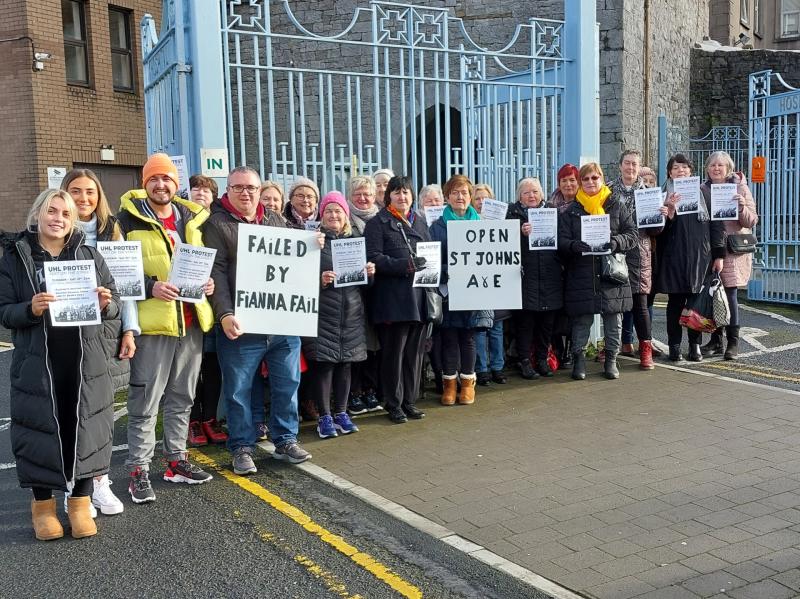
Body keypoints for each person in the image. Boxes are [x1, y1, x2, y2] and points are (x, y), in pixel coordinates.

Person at [0, 189, 119, 540]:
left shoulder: (89, 254)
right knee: (39, 430)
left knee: (84, 427)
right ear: (38, 213)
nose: (58, 219)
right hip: (38, 361)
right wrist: (30, 309)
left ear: (73, 220)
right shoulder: (14, 256)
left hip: (83, 359)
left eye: (66, 214)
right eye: (52, 211)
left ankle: (79, 503)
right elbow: (4, 311)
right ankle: (43, 508)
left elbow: (114, 305)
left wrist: (104, 303)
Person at [203, 166, 317, 473]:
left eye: (251, 188)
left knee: (287, 384)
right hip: (241, 324)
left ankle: (286, 440)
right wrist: (224, 313)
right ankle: (241, 447)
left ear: (258, 190)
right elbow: (216, 273)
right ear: (227, 190)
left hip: (282, 323)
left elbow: (295, 263)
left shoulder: (277, 220)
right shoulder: (215, 224)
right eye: (238, 187)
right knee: (238, 391)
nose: (245, 193)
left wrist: (312, 246)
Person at [117, 154, 216, 503]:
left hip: (190, 322)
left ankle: (176, 460)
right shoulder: (126, 221)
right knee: (145, 399)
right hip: (154, 324)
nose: (161, 185)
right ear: (145, 184)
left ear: (177, 184)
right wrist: (150, 286)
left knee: (182, 396)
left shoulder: (192, 219)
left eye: (168, 179)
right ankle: (138, 469)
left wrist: (208, 286)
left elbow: (202, 264)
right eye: (154, 179)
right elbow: (116, 271)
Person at [61, 168, 137, 517]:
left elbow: (128, 289)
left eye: (90, 192)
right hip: (65, 333)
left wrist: (129, 330)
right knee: (69, 409)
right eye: (75, 191)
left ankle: (101, 482)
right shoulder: (54, 233)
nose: (83, 199)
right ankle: (75, 485)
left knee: (102, 410)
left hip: (106, 330)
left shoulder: (113, 232)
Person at [305, 191, 375, 438]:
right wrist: (319, 280)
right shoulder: (313, 242)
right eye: (329, 211)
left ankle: (342, 412)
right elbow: (298, 279)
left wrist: (370, 272)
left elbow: (366, 287)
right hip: (324, 315)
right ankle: (324, 417)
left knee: (346, 365)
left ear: (346, 215)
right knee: (324, 365)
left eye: (338, 211)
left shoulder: (355, 240)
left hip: (351, 316)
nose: (334, 215)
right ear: (321, 215)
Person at [559, 162, 638, 380]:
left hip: (611, 273)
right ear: (580, 183)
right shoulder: (572, 211)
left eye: (595, 178)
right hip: (582, 273)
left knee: (614, 320)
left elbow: (632, 234)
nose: (591, 182)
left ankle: (611, 361)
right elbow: (562, 241)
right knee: (581, 321)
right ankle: (579, 360)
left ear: (601, 179)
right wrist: (574, 246)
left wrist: (615, 242)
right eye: (586, 179)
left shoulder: (616, 205)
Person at [365, 175, 431, 423]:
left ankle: (409, 401)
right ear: (387, 196)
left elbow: (431, 254)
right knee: (394, 354)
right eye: (396, 193)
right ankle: (393, 403)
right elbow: (374, 258)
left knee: (414, 355)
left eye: (406, 193)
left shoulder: (420, 221)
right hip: (392, 301)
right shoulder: (377, 223)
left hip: (419, 298)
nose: (402, 197)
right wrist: (407, 265)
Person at [655, 154, 726, 362]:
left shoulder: (703, 193)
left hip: (700, 257)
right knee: (675, 304)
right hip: (673, 258)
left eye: (685, 168)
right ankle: (675, 347)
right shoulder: (662, 195)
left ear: (691, 171)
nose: (681, 171)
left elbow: (717, 225)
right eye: (676, 168)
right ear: (670, 172)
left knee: (696, 303)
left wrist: (719, 255)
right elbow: (655, 232)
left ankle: (694, 345)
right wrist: (669, 214)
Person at [700, 151, 758, 360]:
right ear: (707, 169)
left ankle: (733, 342)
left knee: (730, 296)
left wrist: (741, 206)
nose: (716, 168)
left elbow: (751, 221)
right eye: (712, 165)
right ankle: (716, 341)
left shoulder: (740, 187)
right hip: (709, 250)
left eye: (720, 165)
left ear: (728, 169)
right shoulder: (702, 189)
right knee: (713, 294)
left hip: (731, 251)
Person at [429, 174, 482, 405]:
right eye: (455, 193)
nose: (460, 197)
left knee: (468, 338)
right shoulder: (436, 227)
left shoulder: (481, 224)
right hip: (448, 292)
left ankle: (468, 384)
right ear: (447, 197)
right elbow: (430, 263)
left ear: (470, 197)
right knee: (449, 338)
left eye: (464, 193)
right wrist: (447, 270)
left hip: (472, 290)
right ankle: (449, 385)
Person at [608, 150, 662, 370]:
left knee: (640, 304)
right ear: (620, 165)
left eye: (635, 165)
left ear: (640, 168)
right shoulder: (608, 191)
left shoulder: (648, 192)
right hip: (615, 251)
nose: (630, 168)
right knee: (613, 302)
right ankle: (613, 346)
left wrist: (661, 217)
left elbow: (656, 230)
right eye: (627, 163)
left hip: (640, 252)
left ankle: (645, 350)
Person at [184, 174, 227, 447]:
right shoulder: (179, 220)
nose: (201, 193)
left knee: (212, 366)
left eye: (207, 189)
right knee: (189, 368)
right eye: (196, 188)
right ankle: (193, 421)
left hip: (215, 306)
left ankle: (210, 418)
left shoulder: (219, 223)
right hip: (187, 306)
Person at [509, 177, 563, 379]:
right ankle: (524, 360)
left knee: (546, 324)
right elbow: (503, 245)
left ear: (541, 194)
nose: (531, 195)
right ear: (519, 197)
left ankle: (542, 359)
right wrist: (519, 233)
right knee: (525, 324)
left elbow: (562, 241)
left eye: (535, 192)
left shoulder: (553, 213)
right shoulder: (512, 214)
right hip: (525, 278)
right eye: (526, 192)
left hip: (550, 276)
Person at [346, 176, 382, 414]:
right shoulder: (345, 219)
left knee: (374, 345)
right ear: (350, 197)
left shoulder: (381, 220)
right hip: (352, 293)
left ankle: (371, 390)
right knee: (355, 345)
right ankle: (355, 393)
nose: (363, 198)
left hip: (378, 293)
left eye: (367, 194)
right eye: (357, 194)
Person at [547, 163, 580, 369]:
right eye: (564, 180)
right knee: (557, 310)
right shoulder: (549, 207)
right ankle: (557, 348)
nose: (568, 184)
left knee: (574, 311)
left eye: (572, 180)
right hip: (556, 265)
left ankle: (571, 350)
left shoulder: (585, 204)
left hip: (576, 263)